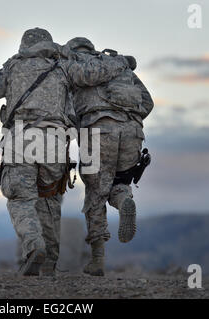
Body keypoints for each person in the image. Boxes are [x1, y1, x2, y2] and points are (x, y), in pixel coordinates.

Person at [0, 28, 125, 276]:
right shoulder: (63, 67)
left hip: (22, 138)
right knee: (50, 201)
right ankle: (49, 266)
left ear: (23, 46)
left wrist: (9, 67)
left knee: (21, 200)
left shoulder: (13, 68)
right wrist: (121, 62)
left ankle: (34, 247)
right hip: (55, 143)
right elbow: (95, 73)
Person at [66, 37, 154, 276]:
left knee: (95, 192)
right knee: (120, 180)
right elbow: (147, 102)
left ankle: (97, 260)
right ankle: (124, 201)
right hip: (133, 131)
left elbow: (66, 109)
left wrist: (81, 126)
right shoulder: (119, 65)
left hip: (98, 131)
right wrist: (127, 119)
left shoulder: (71, 65)